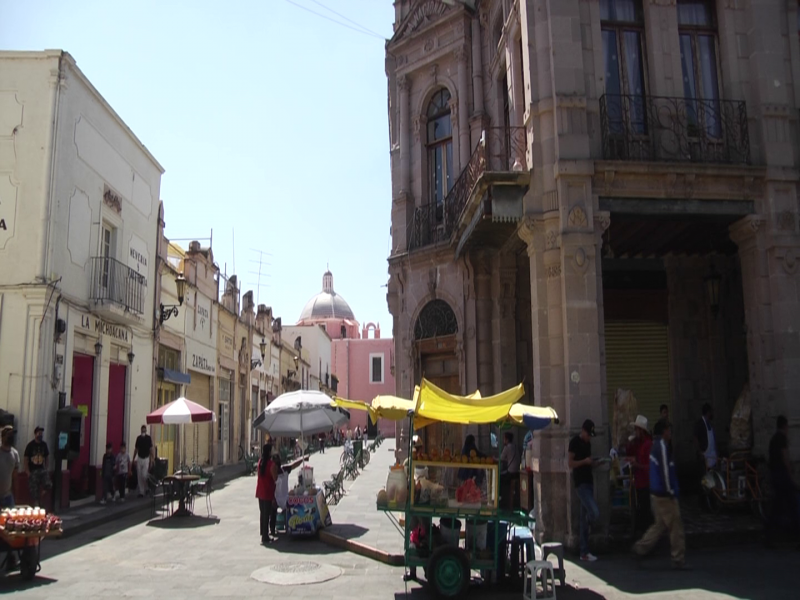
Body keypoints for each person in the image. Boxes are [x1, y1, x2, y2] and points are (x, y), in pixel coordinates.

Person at [633, 420, 687, 569]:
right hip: (664, 494)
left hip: (656, 492)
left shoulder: (654, 446)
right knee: (676, 526)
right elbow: (665, 471)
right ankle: (678, 558)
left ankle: (640, 547)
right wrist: (670, 490)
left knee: (660, 525)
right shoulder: (661, 447)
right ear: (664, 431)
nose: (670, 433)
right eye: (669, 430)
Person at [568, 419, 600, 562]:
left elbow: (587, 462)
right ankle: (584, 549)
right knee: (594, 512)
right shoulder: (575, 442)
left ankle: (584, 551)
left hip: (589, 481)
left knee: (583, 519)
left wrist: (593, 462)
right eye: (588, 434)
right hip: (580, 483)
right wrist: (584, 462)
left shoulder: (588, 444)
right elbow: (570, 463)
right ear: (583, 431)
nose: (589, 437)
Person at [765, 415, 800, 546]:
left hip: (775, 475)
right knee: (792, 504)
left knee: (777, 506)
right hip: (782, 475)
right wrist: (791, 475)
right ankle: (796, 535)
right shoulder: (782, 439)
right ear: (785, 426)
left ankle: (770, 535)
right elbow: (785, 458)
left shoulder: (773, 439)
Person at [627, 415, 653, 536]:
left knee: (645, 513)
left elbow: (649, 466)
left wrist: (637, 465)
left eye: (637, 429)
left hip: (646, 483)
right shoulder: (639, 444)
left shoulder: (648, 445)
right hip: (639, 482)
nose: (635, 432)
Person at [255, 444, 278, 544]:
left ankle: (263, 533)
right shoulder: (271, 464)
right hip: (268, 491)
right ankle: (265, 536)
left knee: (262, 513)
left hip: (260, 490)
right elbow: (275, 478)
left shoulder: (260, 462)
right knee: (267, 514)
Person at [24, 426, 51, 508]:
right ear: (35, 434)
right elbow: (26, 458)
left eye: (42, 434)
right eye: (39, 433)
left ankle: (41, 497)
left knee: (48, 484)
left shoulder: (44, 444)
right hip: (33, 470)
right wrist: (27, 471)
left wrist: (46, 468)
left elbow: (47, 457)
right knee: (34, 489)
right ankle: (37, 504)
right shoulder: (30, 445)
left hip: (42, 469)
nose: (41, 435)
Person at [0, 426, 20, 509]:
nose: (11, 437)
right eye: (9, 435)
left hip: (8, 496)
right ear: (3, 437)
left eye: (12, 435)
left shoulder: (15, 454)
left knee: (11, 520)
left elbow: (15, 477)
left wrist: (16, 495)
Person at [500, 432, 520, 509]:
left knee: (500, 479)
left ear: (507, 439)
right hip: (517, 472)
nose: (503, 440)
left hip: (511, 473)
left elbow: (501, 459)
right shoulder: (515, 446)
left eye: (504, 439)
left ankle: (503, 500)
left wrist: (494, 458)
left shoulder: (507, 448)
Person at [133, 425, 153, 498]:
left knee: (144, 475)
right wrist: (133, 458)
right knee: (139, 475)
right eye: (142, 431)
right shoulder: (138, 438)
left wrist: (152, 458)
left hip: (146, 458)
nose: (143, 432)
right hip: (139, 458)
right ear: (141, 431)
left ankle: (146, 487)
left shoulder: (148, 438)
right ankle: (141, 491)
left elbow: (151, 449)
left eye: (144, 431)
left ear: (146, 431)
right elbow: (136, 449)